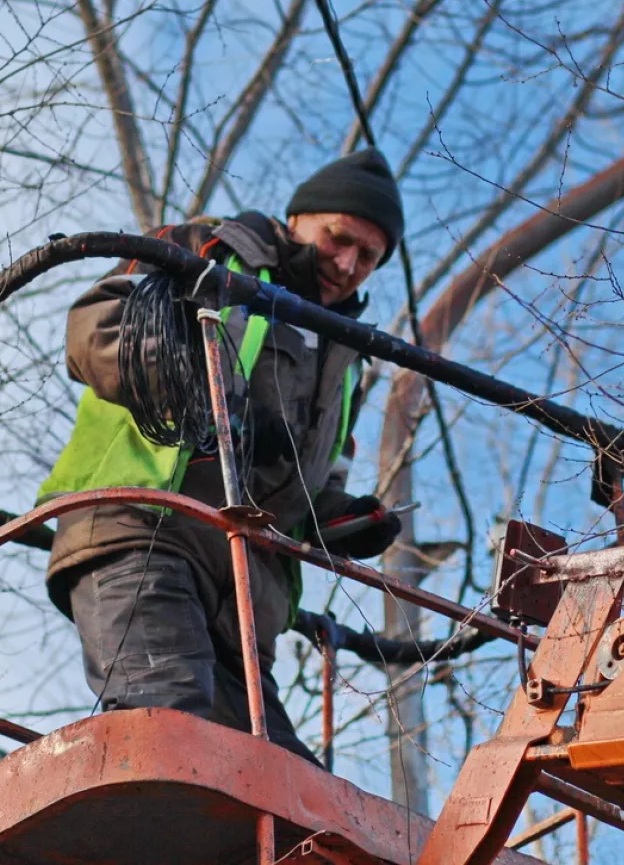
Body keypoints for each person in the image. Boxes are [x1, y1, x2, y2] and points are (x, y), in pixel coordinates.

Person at [37, 149, 407, 761]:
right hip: (146, 531)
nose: (347, 264)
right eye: (338, 238)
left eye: (368, 257)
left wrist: (338, 519)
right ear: (300, 217)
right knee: (169, 726)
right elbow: (96, 330)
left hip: (245, 589)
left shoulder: (346, 358)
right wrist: (203, 400)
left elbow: (317, 474)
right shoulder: (205, 251)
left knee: (284, 783)